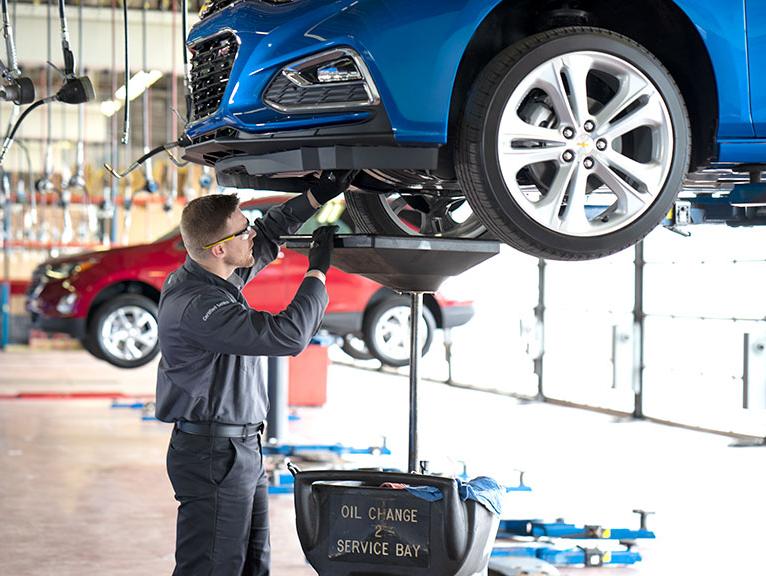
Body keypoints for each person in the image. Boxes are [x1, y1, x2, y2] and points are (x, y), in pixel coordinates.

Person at [155, 170, 356, 576]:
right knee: (212, 569)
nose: (252, 235)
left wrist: (317, 195)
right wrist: (317, 270)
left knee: (251, 565)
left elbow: (268, 233)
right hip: (214, 455)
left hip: (240, 447)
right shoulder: (199, 306)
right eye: (242, 231)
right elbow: (288, 335)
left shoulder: (214, 274)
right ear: (217, 249)